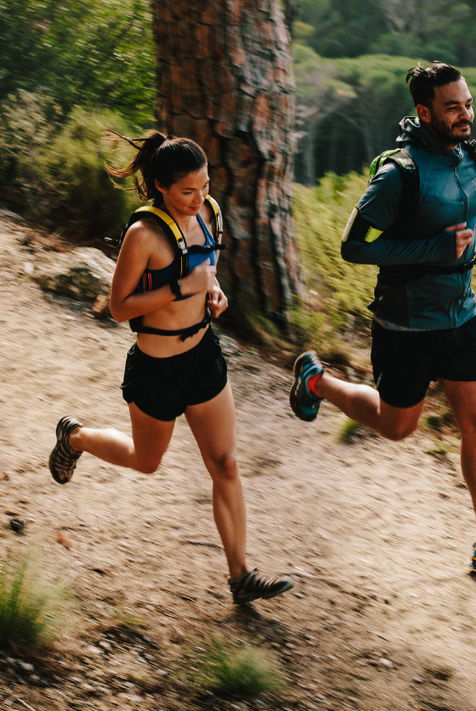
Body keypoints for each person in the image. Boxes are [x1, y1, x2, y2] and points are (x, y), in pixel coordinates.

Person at [288, 62, 476, 588]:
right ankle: (317, 381)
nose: (465, 114)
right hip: (404, 325)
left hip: (461, 316)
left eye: (468, 103)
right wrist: (433, 247)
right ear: (424, 112)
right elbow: (354, 245)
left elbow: (467, 209)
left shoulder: (465, 154)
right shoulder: (398, 174)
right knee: (398, 426)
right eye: (453, 107)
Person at [47, 131, 294, 605]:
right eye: (188, 191)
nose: (199, 198)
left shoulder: (208, 212)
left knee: (225, 463)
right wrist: (183, 288)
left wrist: (212, 291)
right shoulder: (143, 235)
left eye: (204, 186)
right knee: (147, 461)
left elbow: (204, 268)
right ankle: (73, 437)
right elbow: (119, 306)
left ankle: (240, 575)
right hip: (156, 368)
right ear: (160, 186)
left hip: (203, 356)